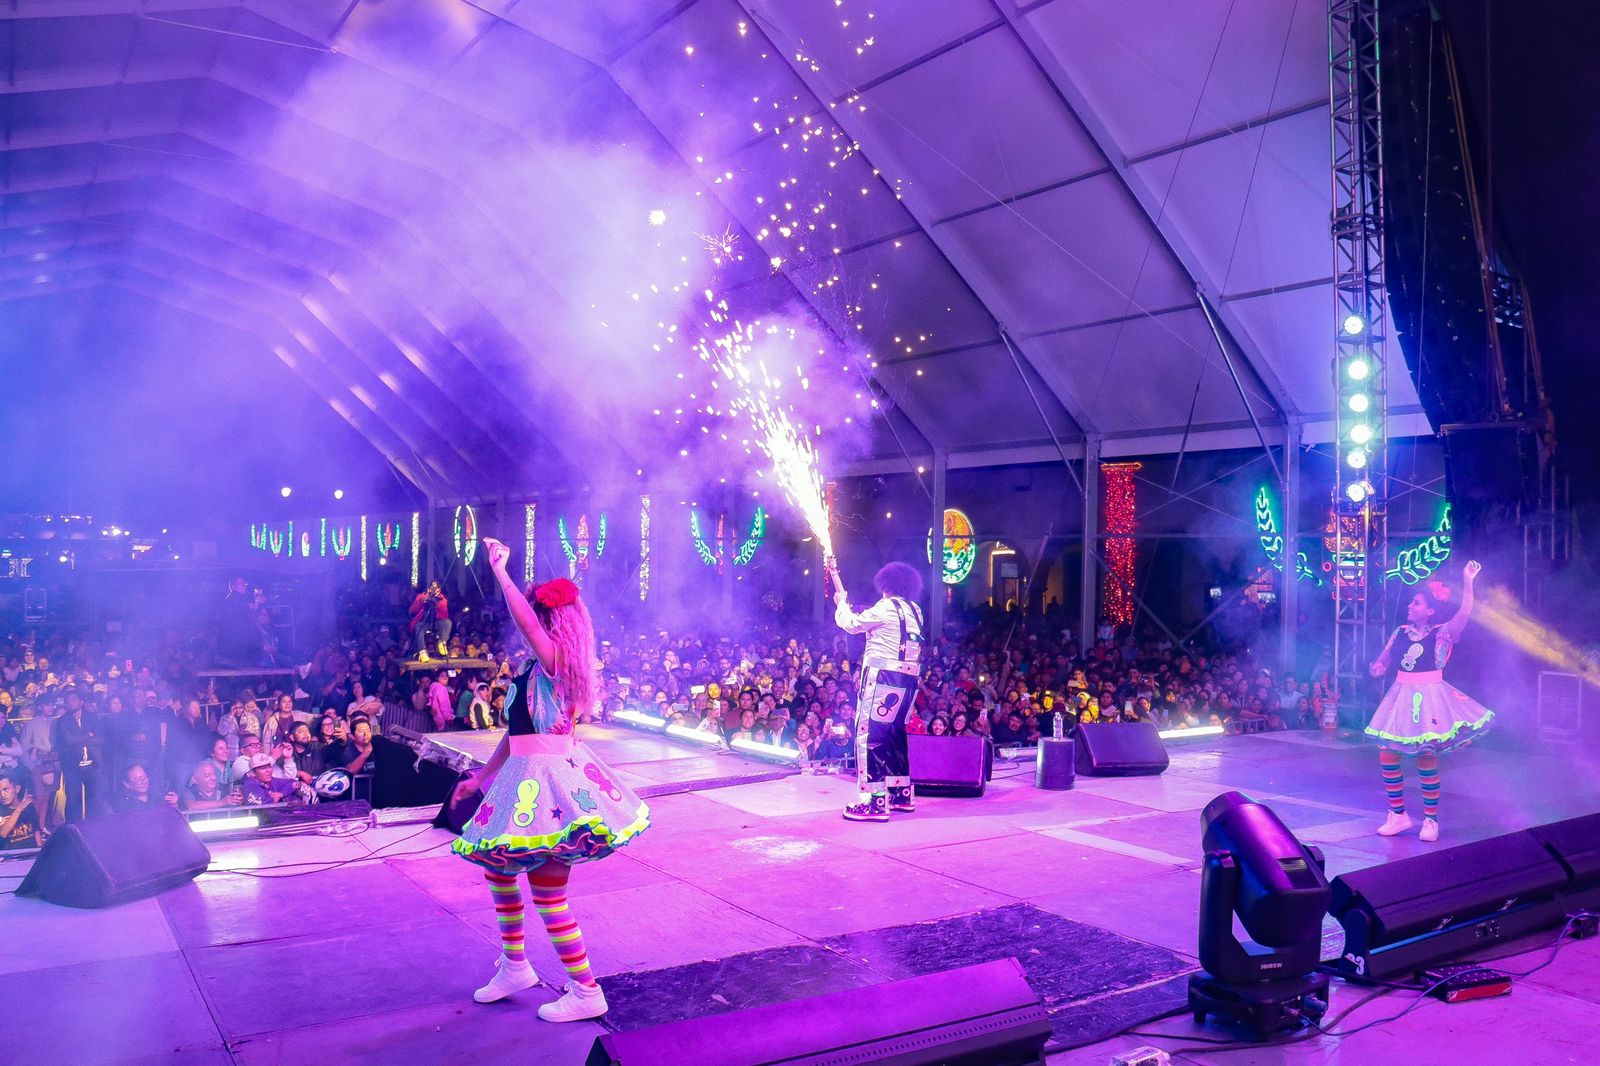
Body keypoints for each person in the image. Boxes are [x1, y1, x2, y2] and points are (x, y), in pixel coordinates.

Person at [451, 538, 650, 1022]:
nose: (532, 625)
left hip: (550, 786)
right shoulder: (534, 668)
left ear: (553, 622)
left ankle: (586, 990)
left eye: (540, 617)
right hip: (524, 778)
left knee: (547, 893)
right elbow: (517, 734)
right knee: (498, 869)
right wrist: (481, 778)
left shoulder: (557, 661)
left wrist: (501, 572)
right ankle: (515, 966)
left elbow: (524, 622)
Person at [1366, 561, 1492, 843]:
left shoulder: (1442, 632)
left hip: (1429, 696)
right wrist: (1378, 667)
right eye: (1411, 602)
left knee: (1426, 755)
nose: (1410, 606)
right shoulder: (1399, 631)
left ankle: (1430, 820)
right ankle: (1397, 814)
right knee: (1387, 752)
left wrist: (1468, 580)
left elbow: (1465, 612)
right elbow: (1383, 660)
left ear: (1431, 610)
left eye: (1417, 603)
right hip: (1401, 694)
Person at [825, 557, 925, 823]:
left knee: (870, 734)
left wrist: (841, 603)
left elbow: (852, 624)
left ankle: (875, 800)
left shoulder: (886, 606)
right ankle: (901, 793)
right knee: (894, 732)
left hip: (884, 677)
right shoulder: (915, 609)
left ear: (886, 585)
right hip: (908, 680)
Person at [410, 581, 452, 662]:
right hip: (425, 623)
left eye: (436, 589)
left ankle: (442, 642)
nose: (434, 590)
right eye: (432, 588)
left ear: (439, 590)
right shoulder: (421, 596)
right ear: (428, 589)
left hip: (437, 623)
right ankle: (422, 651)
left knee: (447, 622)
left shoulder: (443, 599)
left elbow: (444, 615)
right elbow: (412, 610)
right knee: (418, 626)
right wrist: (422, 601)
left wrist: (437, 603)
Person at [0, 770, 42, 850]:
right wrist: (19, 809)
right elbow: (2, 834)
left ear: (17, 789)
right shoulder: (1, 810)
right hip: (11, 855)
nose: (2, 795)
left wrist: (40, 851)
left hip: (31, 853)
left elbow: (36, 832)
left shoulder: (29, 806)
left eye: (5, 789)